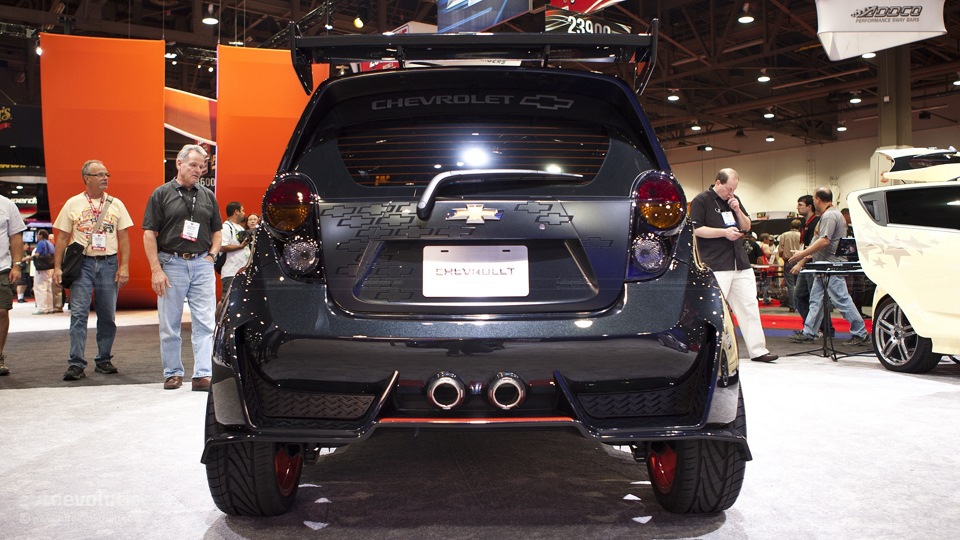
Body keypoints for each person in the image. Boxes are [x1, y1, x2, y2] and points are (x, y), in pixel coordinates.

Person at [143, 144, 222, 391]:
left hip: (202, 264)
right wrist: (156, 270)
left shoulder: (207, 196)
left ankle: (203, 374)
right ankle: (173, 373)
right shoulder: (161, 194)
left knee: (206, 323)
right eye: (193, 165)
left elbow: (217, 231)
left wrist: (211, 256)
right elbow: (148, 233)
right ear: (179, 163)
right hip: (171, 264)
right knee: (170, 324)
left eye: (202, 166)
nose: (198, 170)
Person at [53, 159, 134, 381]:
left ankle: (104, 359)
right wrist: (57, 267)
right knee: (79, 314)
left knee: (107, 314)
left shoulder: (116, 204)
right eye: (100, 175)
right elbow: (62, 237)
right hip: (82, 264)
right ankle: (76, 363)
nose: (105, 178)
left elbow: (124, 238)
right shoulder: (73, 203)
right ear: (86, 178)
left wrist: (124, 266)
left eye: (107, 175)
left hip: (109, 263)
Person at [689, 168, 778, 363]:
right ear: (718, 183)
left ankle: (758, 350)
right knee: (714, 309)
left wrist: (737, 210)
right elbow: (696, 229)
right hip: (716, 264)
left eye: (734, 189)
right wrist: (724, 232)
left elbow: (746, 226)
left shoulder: (733, 200)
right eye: (728, 189)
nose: (731, 193)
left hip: (740, 263)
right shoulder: (701, 200)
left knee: (749, 306)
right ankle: (706, 353)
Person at [788, 188, 869, 347]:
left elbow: (824, 241)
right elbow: (818, 241)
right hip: (825, 266)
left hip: (831, 266)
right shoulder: (830, 215)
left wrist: (802, 254)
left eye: (813, 199)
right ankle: (809, 332)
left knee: (841, 300)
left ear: (818, 199)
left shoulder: (830, 216)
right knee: (816, 300)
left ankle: (860, 332)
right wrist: (802, 259)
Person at [790, 194, 833, 337]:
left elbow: (815, 246)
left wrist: (800, 262)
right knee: (800, 297)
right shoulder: (806, 224)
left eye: (800, 205)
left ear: (809, 206)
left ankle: (823, 329)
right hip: (808, 265)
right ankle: (812, 328)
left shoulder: (817, 222)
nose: (797, 207)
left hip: (814, 264)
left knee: (816, 299)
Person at [0, 193, 26, 376]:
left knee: (2, 312)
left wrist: (17, 265)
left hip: (1, 268)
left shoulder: (7, 205)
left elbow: (16, 236)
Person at [219, 202, 250, 300]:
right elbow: (222, 246)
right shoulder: (225, 227)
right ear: (236, 211)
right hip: (231, 273)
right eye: (242, 210)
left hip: (243, 272)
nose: (244, 213)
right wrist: (240, 247)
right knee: (228, 301)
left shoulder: (240, 227)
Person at [778, 219, 802, 311]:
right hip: (800, 261)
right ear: (799, 227)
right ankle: (800, 305)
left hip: (788, 261)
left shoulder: (784, 235)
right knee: (800, 284)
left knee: (790, 285)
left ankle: (792, 306)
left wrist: (784, 256)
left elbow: (780, 251)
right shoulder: (801, 235)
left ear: (790, 226)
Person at [30, 229, 56, 314]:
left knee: (40, 288)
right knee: (48, 288)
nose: (37, 236)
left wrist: (27, 258)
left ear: (41, 235)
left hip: (42, 268)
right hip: (50, 267)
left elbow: (37, 255)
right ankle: (49, 307)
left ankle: (42, 308)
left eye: (38, 234)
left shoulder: (41, 243)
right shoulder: (50, 243)